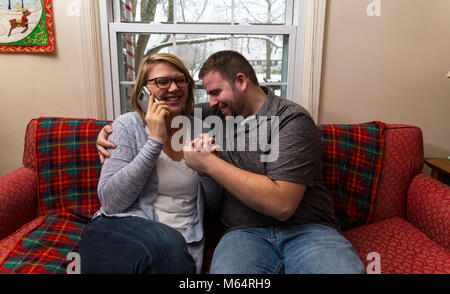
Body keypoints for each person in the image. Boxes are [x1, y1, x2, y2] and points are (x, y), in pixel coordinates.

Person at [96, 50, 365, 274]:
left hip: (307, 229)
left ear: (241, 81)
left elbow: (282, 205)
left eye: (215, 92)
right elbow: (159, 112)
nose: (209, 102)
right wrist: (112, 130)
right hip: (243, 234)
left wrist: (209, 165)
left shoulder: (290, 120)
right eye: (206, 94)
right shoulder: (214, 114)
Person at [78, 53, 220, 274]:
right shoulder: (127, 126)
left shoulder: (203, 128)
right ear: (143, 90)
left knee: (170, 245)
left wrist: (208, 168)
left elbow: (213, 205)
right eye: (163, 81)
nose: (174, 88)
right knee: (166, 242)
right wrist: (155, 141)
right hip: (123, 227)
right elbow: (111, 202)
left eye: (180, 80)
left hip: (179, 243)